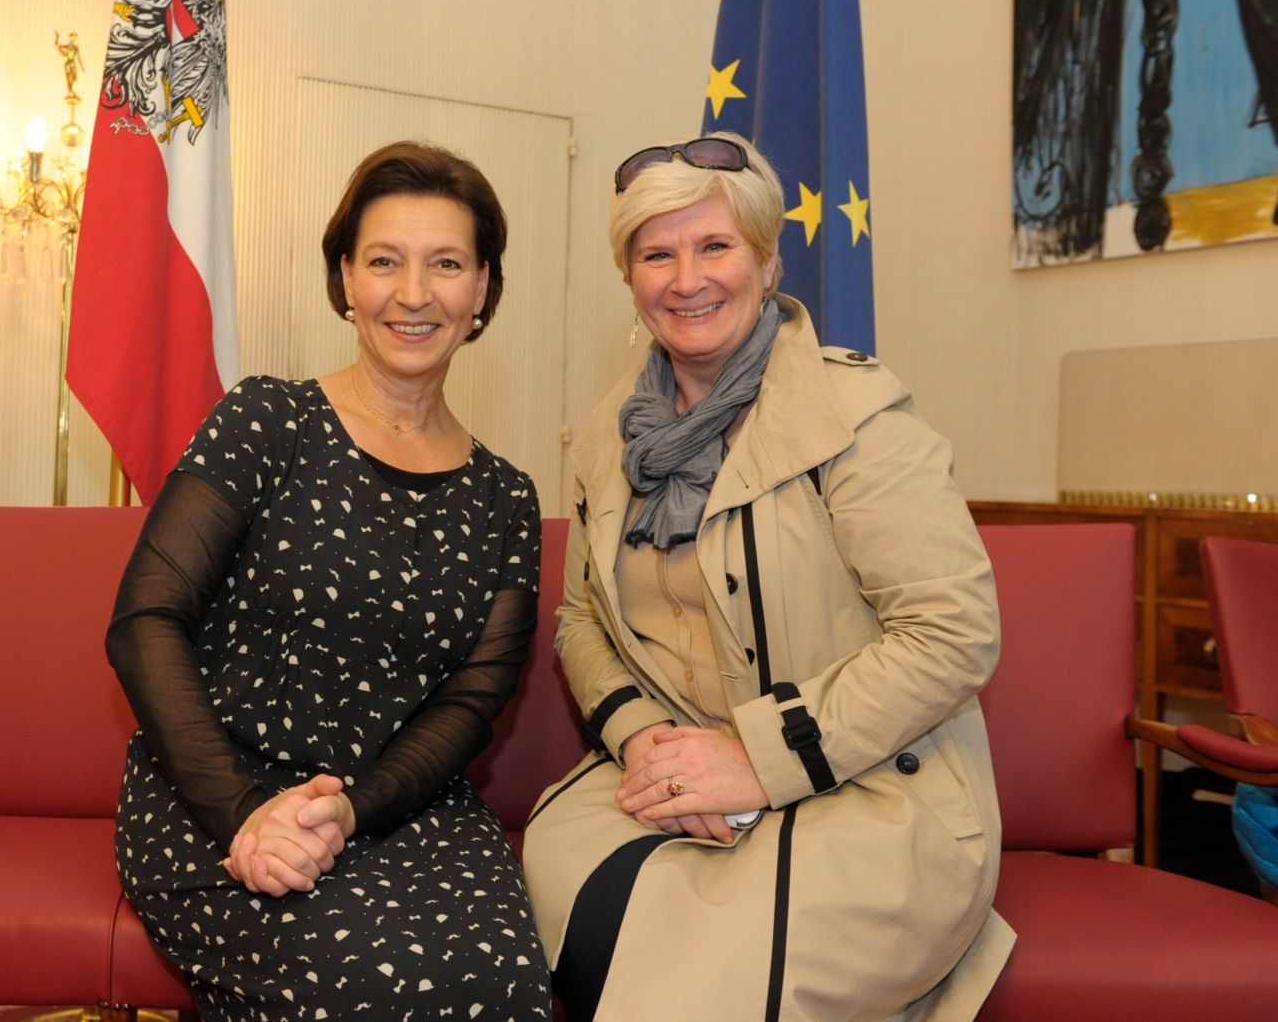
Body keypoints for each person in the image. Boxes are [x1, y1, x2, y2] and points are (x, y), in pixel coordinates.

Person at [522, 133, 1014, 1021]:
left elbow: (953, 633)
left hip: (868, 791)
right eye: (655, 253)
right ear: (627, 278)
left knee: (684, 996)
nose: (687, 278)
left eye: (715, 246)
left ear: (767, 257)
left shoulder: (857, 418)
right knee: (571, 932)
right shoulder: (604, 438)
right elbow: (580, 622)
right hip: (669, 780)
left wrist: (755, 758)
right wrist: (643, 745)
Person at [108, 141, 554, 1022]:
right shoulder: (265, 421)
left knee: (504, 989)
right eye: (384, 261)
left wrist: (352, 810)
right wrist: (245, 815)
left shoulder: (507, 498)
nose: (413, 294)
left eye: (447, 265)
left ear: (484, 290)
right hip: (214, 797)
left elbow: (471, 701)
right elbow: (145, 620)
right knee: (369, 986)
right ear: (345, 277)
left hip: (407, 811)